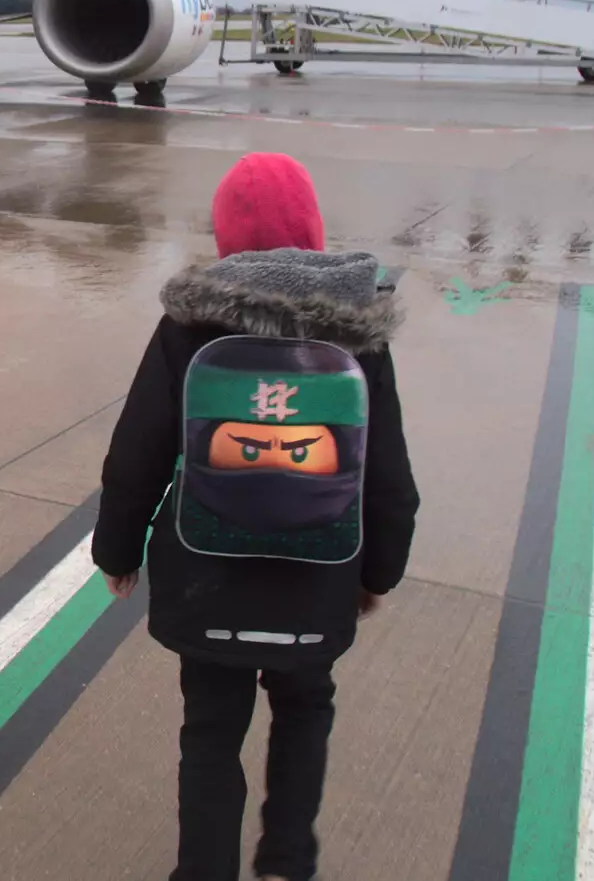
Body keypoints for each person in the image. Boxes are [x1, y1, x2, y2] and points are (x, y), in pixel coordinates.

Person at [91, 152, 420, 881]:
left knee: (209, 731)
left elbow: (137, 449)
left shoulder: (189, 324)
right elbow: (388, 475)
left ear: (223, 232)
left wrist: (117, 549)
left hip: (207, 579)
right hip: (320, 574)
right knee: (305, 707)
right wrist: (378, 572)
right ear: (313, 227)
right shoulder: (358, 332)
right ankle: (286, 859)